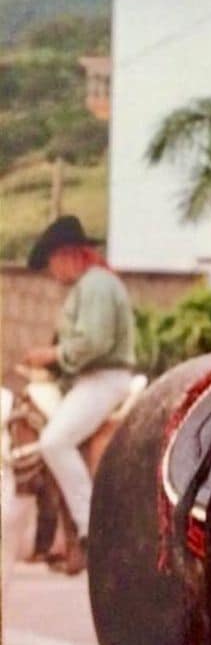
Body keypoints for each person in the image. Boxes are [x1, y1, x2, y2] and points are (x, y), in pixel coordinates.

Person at [23, 214, 136, 575]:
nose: (52, 274)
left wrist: (52, 355)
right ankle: (61, 535)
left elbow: (94, 342)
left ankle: (90, 528)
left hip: (103, 378)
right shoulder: (93, 284)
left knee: (53, 441)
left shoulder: (97, 284)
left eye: (52, 263)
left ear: (68, 255)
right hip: (90, 378)